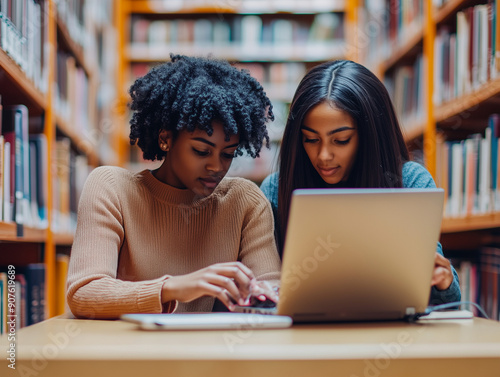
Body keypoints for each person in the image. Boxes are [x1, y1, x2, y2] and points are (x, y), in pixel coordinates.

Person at [67, 55, 281, 319]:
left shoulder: (245, 202)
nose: (216, 167)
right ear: (166, 139)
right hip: (126, 355)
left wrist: (263, 294)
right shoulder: (112, 190)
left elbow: (273, 294)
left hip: (209, 357)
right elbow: (84, 294)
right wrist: (173, 288)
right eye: (202, 151)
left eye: (228, 154)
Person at [260, 60, 460, 305]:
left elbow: (446, 304)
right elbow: (265, 288)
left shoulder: (409, 182)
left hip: (388, 329)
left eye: (341, 140)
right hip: (302, 333)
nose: (323, 155)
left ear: (370, 136)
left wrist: (443, 281)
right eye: (310, 140)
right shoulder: (275, 189)